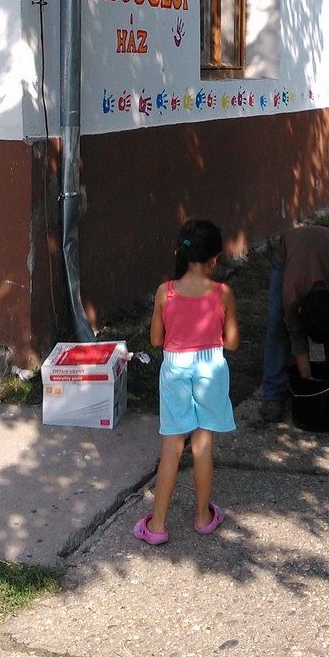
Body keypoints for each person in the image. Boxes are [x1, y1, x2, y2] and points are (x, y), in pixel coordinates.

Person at [133, 218, 239, 545]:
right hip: (211, 369)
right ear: (215, 259)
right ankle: (204, 517)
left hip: (175, 369)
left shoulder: (165, 292)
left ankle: (157, 526)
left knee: (171, 448)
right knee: (202, 444)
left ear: (181, 252)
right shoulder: (223, 294)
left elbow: (156, 339)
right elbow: (233, 342)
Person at [259, 224, 329, 422]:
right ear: (300, 311)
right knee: (278, 325)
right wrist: (307, 383)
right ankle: (274, 394)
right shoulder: (292, 298)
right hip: (291, 250)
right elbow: (297, 336)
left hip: (327, 245)